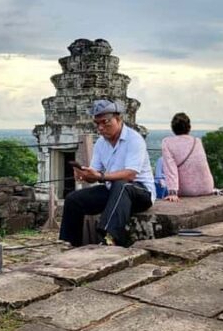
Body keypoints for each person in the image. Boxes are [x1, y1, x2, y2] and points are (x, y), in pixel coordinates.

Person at [59, 99, 155, 247]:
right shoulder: (101, 144)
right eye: (97, 124)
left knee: (121, 185)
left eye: (105, 122)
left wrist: (101, 177)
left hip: (139, 192)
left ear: (118, 119)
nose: (101, 128)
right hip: (113, 192)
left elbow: (130, 175)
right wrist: (85, 175)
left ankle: (110, 237)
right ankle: (71, 242)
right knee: (73, 199)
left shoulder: (134, 139)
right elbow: (96, 174)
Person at [160, 112, 215, 200]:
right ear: (189, 127)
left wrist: (172, 192)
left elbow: (170, 169)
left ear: (173, 128)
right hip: (207, 187)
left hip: (187, 190)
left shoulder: (167, 142)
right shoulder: (197, 141)